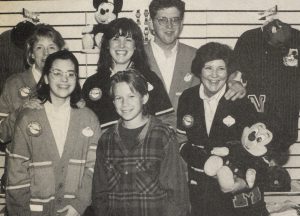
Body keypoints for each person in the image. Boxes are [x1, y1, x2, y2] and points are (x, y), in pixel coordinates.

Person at [177, 42, 269, 216]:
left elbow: (259, 149)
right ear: (199, 70)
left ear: (229, 72)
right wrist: (204, 161)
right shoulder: (188, 98)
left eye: (221, 69)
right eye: (208, 68)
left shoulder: (241, 100)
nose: (214, 75)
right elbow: (181, 142)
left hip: (237, 198)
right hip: (201, 196)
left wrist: (244, 181)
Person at [6, 50, 101, 216]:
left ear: (76, 79)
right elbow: (16, 175)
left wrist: (79, 204)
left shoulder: (89, 118)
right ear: (46, 78)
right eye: (57, 73)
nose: (64, 79)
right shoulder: (28, 118)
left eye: (70, 74)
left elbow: (94, 168)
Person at [92, 69, 189, 216]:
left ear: (144, 98)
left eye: (131, 96)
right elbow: (100, 195)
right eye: (119, 98)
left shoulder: (163, 136)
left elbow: (176, 196)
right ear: (113, 101)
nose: (125, 104)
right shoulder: (106, 140)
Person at [146, 0, 247, 129]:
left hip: (188, 139)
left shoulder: (198, 57)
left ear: (182, 23)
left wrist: (233, 83)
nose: (169, 26)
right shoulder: (137, 57)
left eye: (175, 20)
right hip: (147, 142)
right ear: (151, 23)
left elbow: (218, 80)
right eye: (163, 20)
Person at [82, 17, 174, 130]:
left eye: (128, 39)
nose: (122, 45)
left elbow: (168, 120)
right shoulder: (92, 83)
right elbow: (84, 125)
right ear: (107, 44)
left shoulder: (150, 79)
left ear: (136, 46)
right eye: (116, 39)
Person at [232, 19, 300, 163]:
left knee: (275, 175)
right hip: (252, 124)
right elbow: (234, 75)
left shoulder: (297, 39)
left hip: (284, 127)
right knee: (248, 168)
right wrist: (234, 82)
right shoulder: (249, 39)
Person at [0, 23, 65, 144]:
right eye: (39, 47)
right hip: (22, 162)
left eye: (51, 47)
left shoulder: (68, 84)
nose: (46, 53)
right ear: (31, 53)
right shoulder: (13, 84)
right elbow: (1, 134)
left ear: (60, 52)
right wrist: (21, 112)